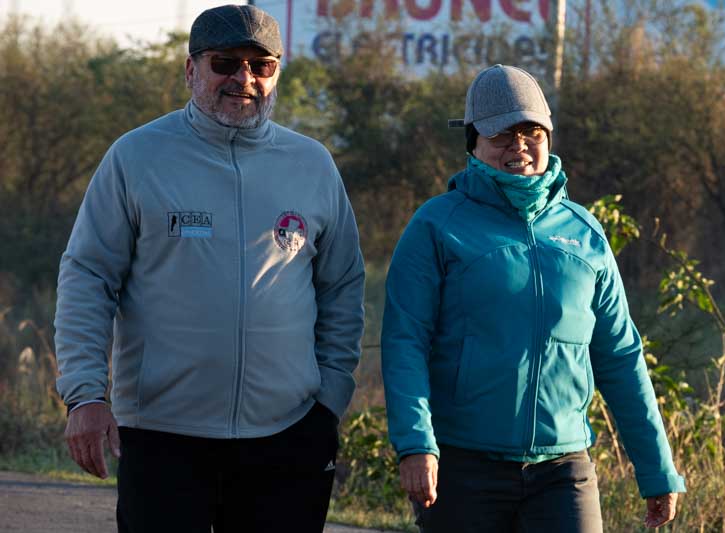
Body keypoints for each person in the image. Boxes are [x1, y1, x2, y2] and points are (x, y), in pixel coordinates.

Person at [54, 5, 365, 532]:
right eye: (226, 62)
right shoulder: (136, 157)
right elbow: (87, 276)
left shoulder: (312, 164)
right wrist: (85, 395)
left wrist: (329, 402)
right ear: (191, 70)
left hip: (287, 437)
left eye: (260, 66)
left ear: (276, 75)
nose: (243, 78)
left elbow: (342, 287)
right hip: (162, 437)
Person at [381, 64, 686, 532]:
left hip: (563, 470)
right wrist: (416, 444)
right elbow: (405, 342)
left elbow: (621, 358)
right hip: (463, 468)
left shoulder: (584, 234)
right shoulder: (436, 226)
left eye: (532, 131)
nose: (518, 146)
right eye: (502, 133)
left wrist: (657, 469)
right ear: (473, 143)